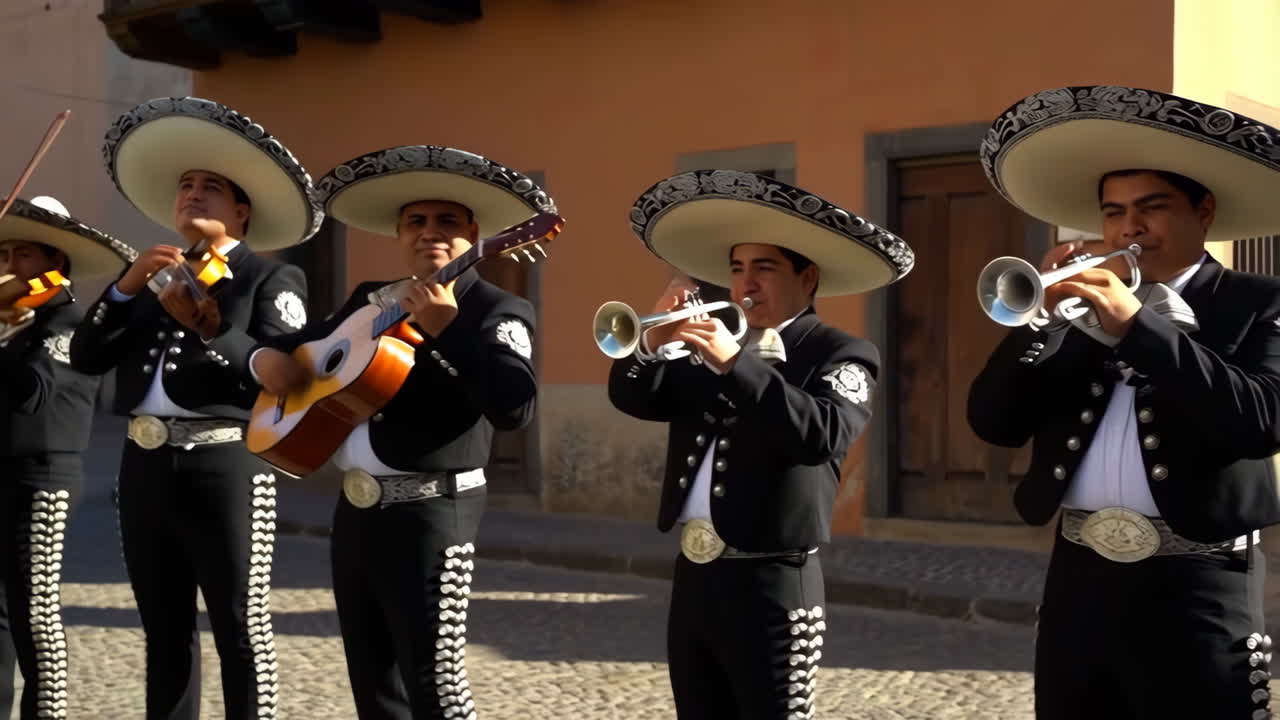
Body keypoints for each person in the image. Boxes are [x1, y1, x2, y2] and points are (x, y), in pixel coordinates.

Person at [969, 84, 1280, 719]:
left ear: (1205, 213)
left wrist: (1139, 328)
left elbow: (1261, 421)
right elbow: (994, 422)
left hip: (1199, 588)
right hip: (1079, 579)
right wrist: (1041, 324)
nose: (1128, 229)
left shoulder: (1260, 302)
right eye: (1113, 213)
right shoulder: (1078, 314)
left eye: (1151, 208)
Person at [249, 145, 548, 719]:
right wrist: (263, 358)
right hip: (357, 515)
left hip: (433, 516)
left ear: (475, 235)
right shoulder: (371, 299)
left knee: (435, 687)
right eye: (417, 222)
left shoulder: (497, 310)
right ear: (399, 233)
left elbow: (516, 408)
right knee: (374, 689)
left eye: (447, 222)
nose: (430, 233)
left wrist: (449, 330)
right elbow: (298, 348)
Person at [608, 169, 914, 718]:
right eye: (737, 269)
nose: (746, 285)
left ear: (808, 277)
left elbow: (820, 435)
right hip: (695, 578)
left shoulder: (842, 352)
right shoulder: (708, 345)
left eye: (765, 269)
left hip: (774, 583)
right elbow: (637, 400)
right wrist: (650, 348)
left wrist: (735, 364)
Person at [68, 96, 321, 720]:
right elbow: (85, 357)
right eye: (186, 185)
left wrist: (214, 329)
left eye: (212, 186)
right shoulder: (151, 276)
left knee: (239, 625)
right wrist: (124, 291)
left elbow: (286, 372)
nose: (193, 194)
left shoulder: (269, 278)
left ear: (242, 210)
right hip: (144, 464)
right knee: (164, 628)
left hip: (226, 464)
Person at [0, 195, 136, 719]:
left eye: (25, 254)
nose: (11, 266)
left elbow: (32, 392)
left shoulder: (69, 325)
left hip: (43, 479)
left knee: (35, 613)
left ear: (55, 262)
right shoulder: (11, 319)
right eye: (4, 253)